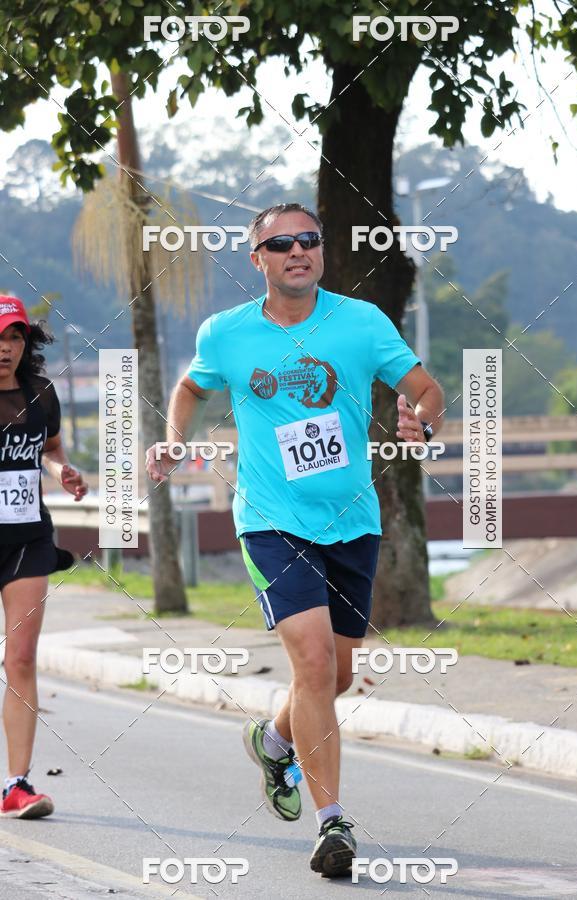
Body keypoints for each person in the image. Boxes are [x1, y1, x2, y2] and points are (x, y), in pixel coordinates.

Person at [146, 203, 444, 876]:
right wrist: (174, 435)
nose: (298, 250)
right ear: (259, 260)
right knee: (312, 667)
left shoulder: (362, 323)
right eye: (280, 244)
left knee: (336, 675)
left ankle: (275, 739)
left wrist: (420, 421)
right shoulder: (226, 334)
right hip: (272, 522)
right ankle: (332, 824)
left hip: (353, 522)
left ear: (321, 252)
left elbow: (427, 389)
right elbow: (191, 388)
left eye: (309, 239)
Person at [0, 296, 88, 819]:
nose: (4, 349)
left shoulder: (41, 394)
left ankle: (17, 783)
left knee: (22, 657)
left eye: (13, 338)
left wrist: (62, 472)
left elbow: (49, 450)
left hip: (28, 539)